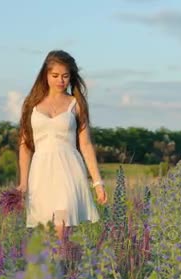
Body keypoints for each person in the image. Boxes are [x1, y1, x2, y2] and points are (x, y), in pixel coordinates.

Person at [17, 50, 108, 241]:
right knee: (45, 234)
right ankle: (59, 268)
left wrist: (97, 182)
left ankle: (61, 267)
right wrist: (23, 182)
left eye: (65, 76)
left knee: (61, 227)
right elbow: (25, 146)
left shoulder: (76, 104)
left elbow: (86, 144)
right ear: (45, 75)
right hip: (40, 172)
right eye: (55, 76)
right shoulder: (31, 105)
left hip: (69, 170)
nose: (61, 81)